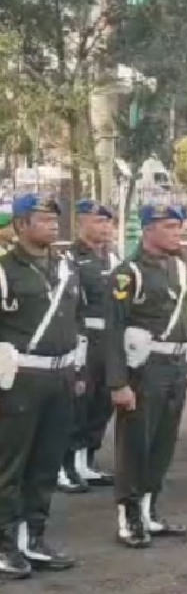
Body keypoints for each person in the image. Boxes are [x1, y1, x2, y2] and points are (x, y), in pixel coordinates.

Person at [0, 194, 80, 577]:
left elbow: (74, 319)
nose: (52, 224)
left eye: (54, 218)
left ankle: (34, 537)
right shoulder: (4, 270)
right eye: (43, 218)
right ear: (20, 226)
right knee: (11, 465)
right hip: (20, 379)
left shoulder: (65, 266)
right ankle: (5, 545)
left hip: (60, 375)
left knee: (46, 463)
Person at [105, 203, 187, 549]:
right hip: (144, 370)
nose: (177, 233)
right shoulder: (128, 273)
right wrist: (118, 382)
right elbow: (114, 330)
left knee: (163, 443)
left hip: (174, 367)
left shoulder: (178, 267)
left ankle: (149, 510)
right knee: (135, 445)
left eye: (178, 226)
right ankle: (128, 517)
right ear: (148, 230)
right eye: (169, 227)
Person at [62, 200, 119, 495]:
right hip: (84, 337)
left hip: (109, 339)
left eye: (108, 222)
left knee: (102, 403)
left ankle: (86, 460)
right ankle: (64, 465)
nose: (105, 227)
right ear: (81, 223)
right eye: (98, 221)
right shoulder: (70, 259)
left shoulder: (113, 258)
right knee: (78, 403)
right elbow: (69, 305)